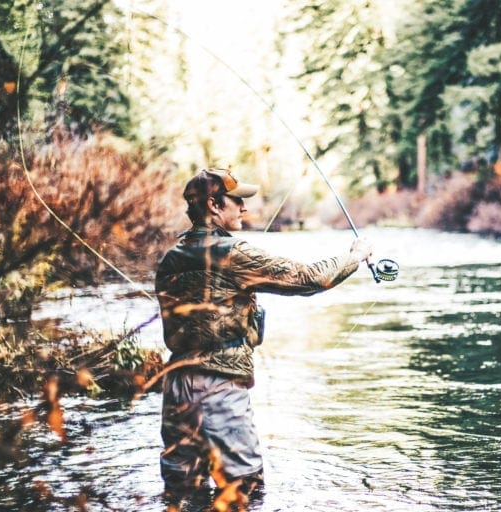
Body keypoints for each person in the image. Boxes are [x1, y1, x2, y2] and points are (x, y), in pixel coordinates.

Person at [155, 168, 373, 507]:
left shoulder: (171, 257)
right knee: (244, 492)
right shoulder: (234, 253)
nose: (244, 209)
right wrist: (354, 256)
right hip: (218, 388)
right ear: (214, 205)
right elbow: (309, 278)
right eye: (237, 201)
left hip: (176, 387)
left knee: (183, 496)